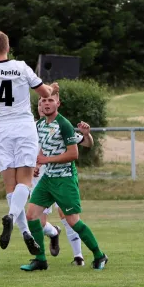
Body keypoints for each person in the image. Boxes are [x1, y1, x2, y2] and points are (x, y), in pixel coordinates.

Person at [0, 30, 58, 254]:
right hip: (24, 127)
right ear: (8, 47)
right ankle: (14, 218)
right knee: (24, 182)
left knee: (10, 186)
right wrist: (52, 89)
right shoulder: (21, 66)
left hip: (2, 130)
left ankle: (24, 231)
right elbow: (44, 92)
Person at [21, 92, 107, 271]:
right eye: (43, 100)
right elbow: (41, 149)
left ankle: (99, 255)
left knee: (73, 221)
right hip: (48, 179)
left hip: (65, 179)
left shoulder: (64, 124)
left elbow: (73, 154)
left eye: (50, 100)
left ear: (58, 103)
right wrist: (37, 161)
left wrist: (45, 160)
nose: (46, 103)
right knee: (31, 215)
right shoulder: (40, 125)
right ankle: (40, 260)